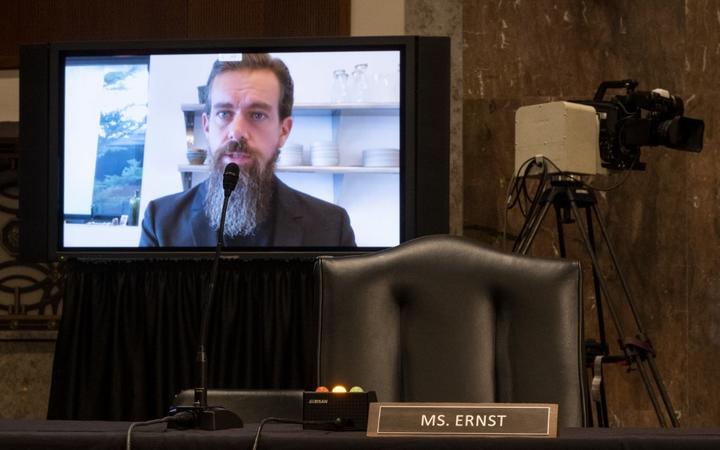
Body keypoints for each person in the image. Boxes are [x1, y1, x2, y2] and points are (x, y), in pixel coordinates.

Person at [140, 54, 356, 247]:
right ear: (206, 126)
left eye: (257, 115)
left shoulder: (330, 228)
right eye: (224, 114)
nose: (237, 132)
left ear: (283, 131)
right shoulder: (160, 223)